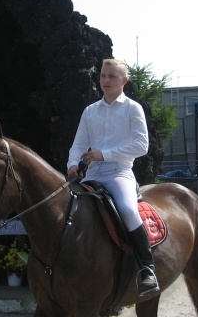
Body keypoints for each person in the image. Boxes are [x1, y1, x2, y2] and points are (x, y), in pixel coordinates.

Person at [67, 58, 159, 295]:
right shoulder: (90, 111)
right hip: (91, 175)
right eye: (103, 76)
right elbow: (79, 144)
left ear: (124, 81)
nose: (106, 80)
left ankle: (147, 270)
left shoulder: (132, 108)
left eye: (112, 76)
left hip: (119, 173)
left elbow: (141, 146)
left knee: (127, 210)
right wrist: (72, 165)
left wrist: (104, 155)